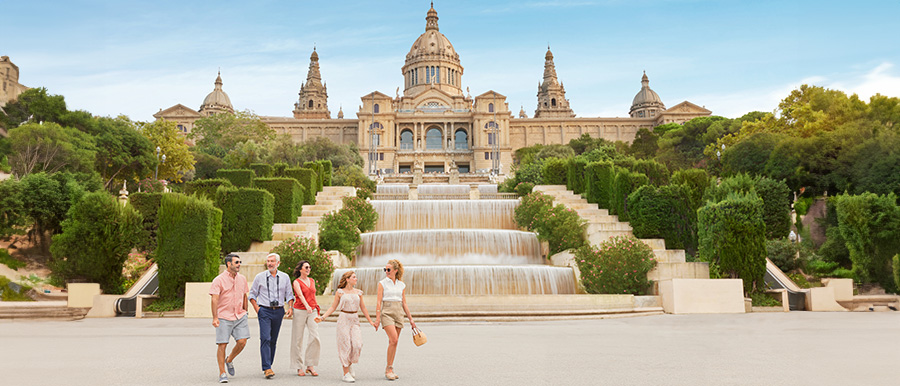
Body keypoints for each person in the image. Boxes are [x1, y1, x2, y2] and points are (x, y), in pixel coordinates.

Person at [316, 271, 377, 383]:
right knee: (345, 345)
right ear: (347, 279)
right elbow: (333, 307)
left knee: (357, 344)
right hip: (344, 318)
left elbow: (363, 308)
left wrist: (371, 322)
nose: (356, 279)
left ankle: (349, 364)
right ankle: (345, 373)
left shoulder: (359, 293)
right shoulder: (340, 292)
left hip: (355, 319)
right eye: (354, 277)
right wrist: (322, 317)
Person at [248, 253, 294, 379]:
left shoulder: (285, 277)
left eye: (272, 261)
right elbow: (252, 294)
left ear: (278, 263)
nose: (269, 263)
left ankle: (269, 365)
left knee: (273, 340)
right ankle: (267, 368)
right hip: (264, 311)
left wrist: (290, 307)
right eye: (268, 261)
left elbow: (289, 294)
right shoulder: (260, 277)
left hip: (279, 311)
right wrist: (258, 309)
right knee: (265, 338)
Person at [374, 259, 417, 380]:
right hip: (387, 312)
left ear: (395, 271)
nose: (386, 271)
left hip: (399, 312)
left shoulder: (401, 285)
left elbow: (404, 303)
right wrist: (377, 319)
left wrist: (411, 320)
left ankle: (390, 367)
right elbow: (378, 302)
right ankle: (389, 369)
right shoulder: (382, 283)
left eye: (388, 269)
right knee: (394, 339)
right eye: (385, 269)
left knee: (394, 342)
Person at [210, 254, 250, 384]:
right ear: (229, 264)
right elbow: (214, 299)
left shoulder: (242, 279)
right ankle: (222, 373)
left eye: (240, 262)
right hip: (224, 316)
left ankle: (229, 360)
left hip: (240, 315)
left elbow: (244, 295)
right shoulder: (218, 280)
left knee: (242, 342)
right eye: (236, 262)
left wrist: (246, 311)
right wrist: (215, 317)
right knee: (222, 344)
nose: (239, 264)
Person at [290, 260, 321, 377]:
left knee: (315, 336)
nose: (308, 269)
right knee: (298, 339)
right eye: (306, 267)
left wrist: (316, 309)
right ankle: (298, 366)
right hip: (300, 310)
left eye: (309, 267)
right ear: (300, 269)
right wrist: (306, 305)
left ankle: (310, 365)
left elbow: (313, 295)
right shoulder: (296, 282)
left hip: (312, 310)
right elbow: (300, 295)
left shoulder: (312, 280)